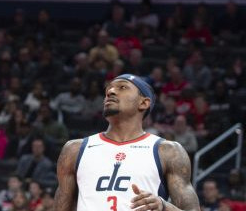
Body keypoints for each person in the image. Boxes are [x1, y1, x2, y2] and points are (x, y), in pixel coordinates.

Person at [54, 74, 200, 211]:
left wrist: (163, 206)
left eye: (122, 87)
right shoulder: (74, 149)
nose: (110, 91)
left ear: (143, 103)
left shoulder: (168, 151)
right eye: (108, 89)